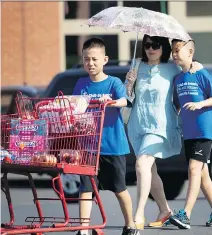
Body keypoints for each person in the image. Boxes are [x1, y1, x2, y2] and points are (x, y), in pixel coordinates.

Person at [125, 34, 202, 230]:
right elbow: (129, 99)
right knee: (149, 170)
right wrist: (129, 84)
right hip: (138, 124)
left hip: (160, 124)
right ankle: (164, 210)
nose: (151, 48)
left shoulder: (172, 68)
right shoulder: (137, 65)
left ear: (164, 47)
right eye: (148, 45)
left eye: (156, 45)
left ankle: (138, 214)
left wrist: (196, 66)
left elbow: (188, 74)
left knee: (142, 164)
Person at [72, 37, 139, 235]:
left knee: (119, 188)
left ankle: (130, 225)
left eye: (94, 59)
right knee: (85, 189)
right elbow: (75, 104)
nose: (90, 63)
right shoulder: (81, 83)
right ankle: (83, 230)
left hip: (113, 146)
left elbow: (123, 101)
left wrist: (111, 103)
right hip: (88, 147)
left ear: (105, 59)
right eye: (86, 59)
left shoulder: (113, 83)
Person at [168, 39, 212, 229]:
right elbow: (176, 106)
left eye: (178, 50)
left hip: (204, 132)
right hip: (189, 133)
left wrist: (201, 104)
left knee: (194, 170)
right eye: (173, 51)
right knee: (203, 177)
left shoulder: (202, 74)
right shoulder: (178, 79)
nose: (175, 54)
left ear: (190, 52)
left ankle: (186, 214)